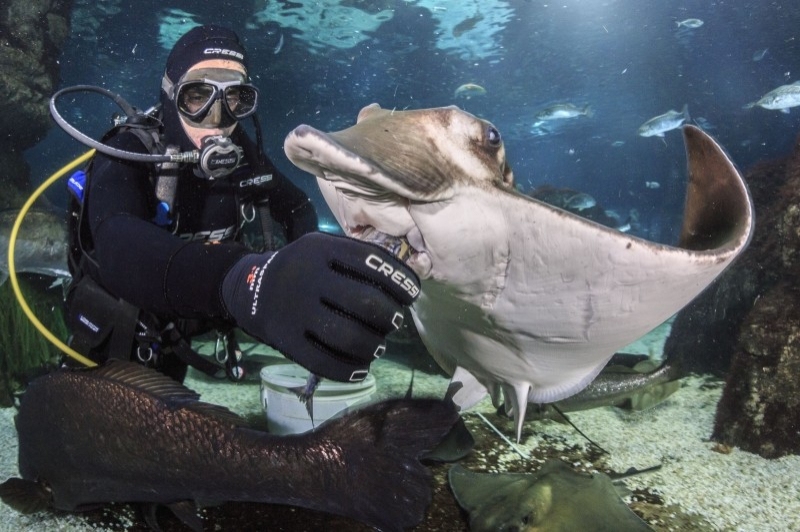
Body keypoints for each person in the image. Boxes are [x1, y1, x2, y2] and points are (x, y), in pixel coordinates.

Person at [65, 25, 419, 383]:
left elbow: (296, 208)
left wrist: (300, 276)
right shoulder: (130, 151)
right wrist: (241, 280)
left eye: (235, 99)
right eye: (197, 96)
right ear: (170, 94)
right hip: (117, 338)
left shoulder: (245, 158)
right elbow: (117, 244)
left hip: (178, 339)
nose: (217, 119)